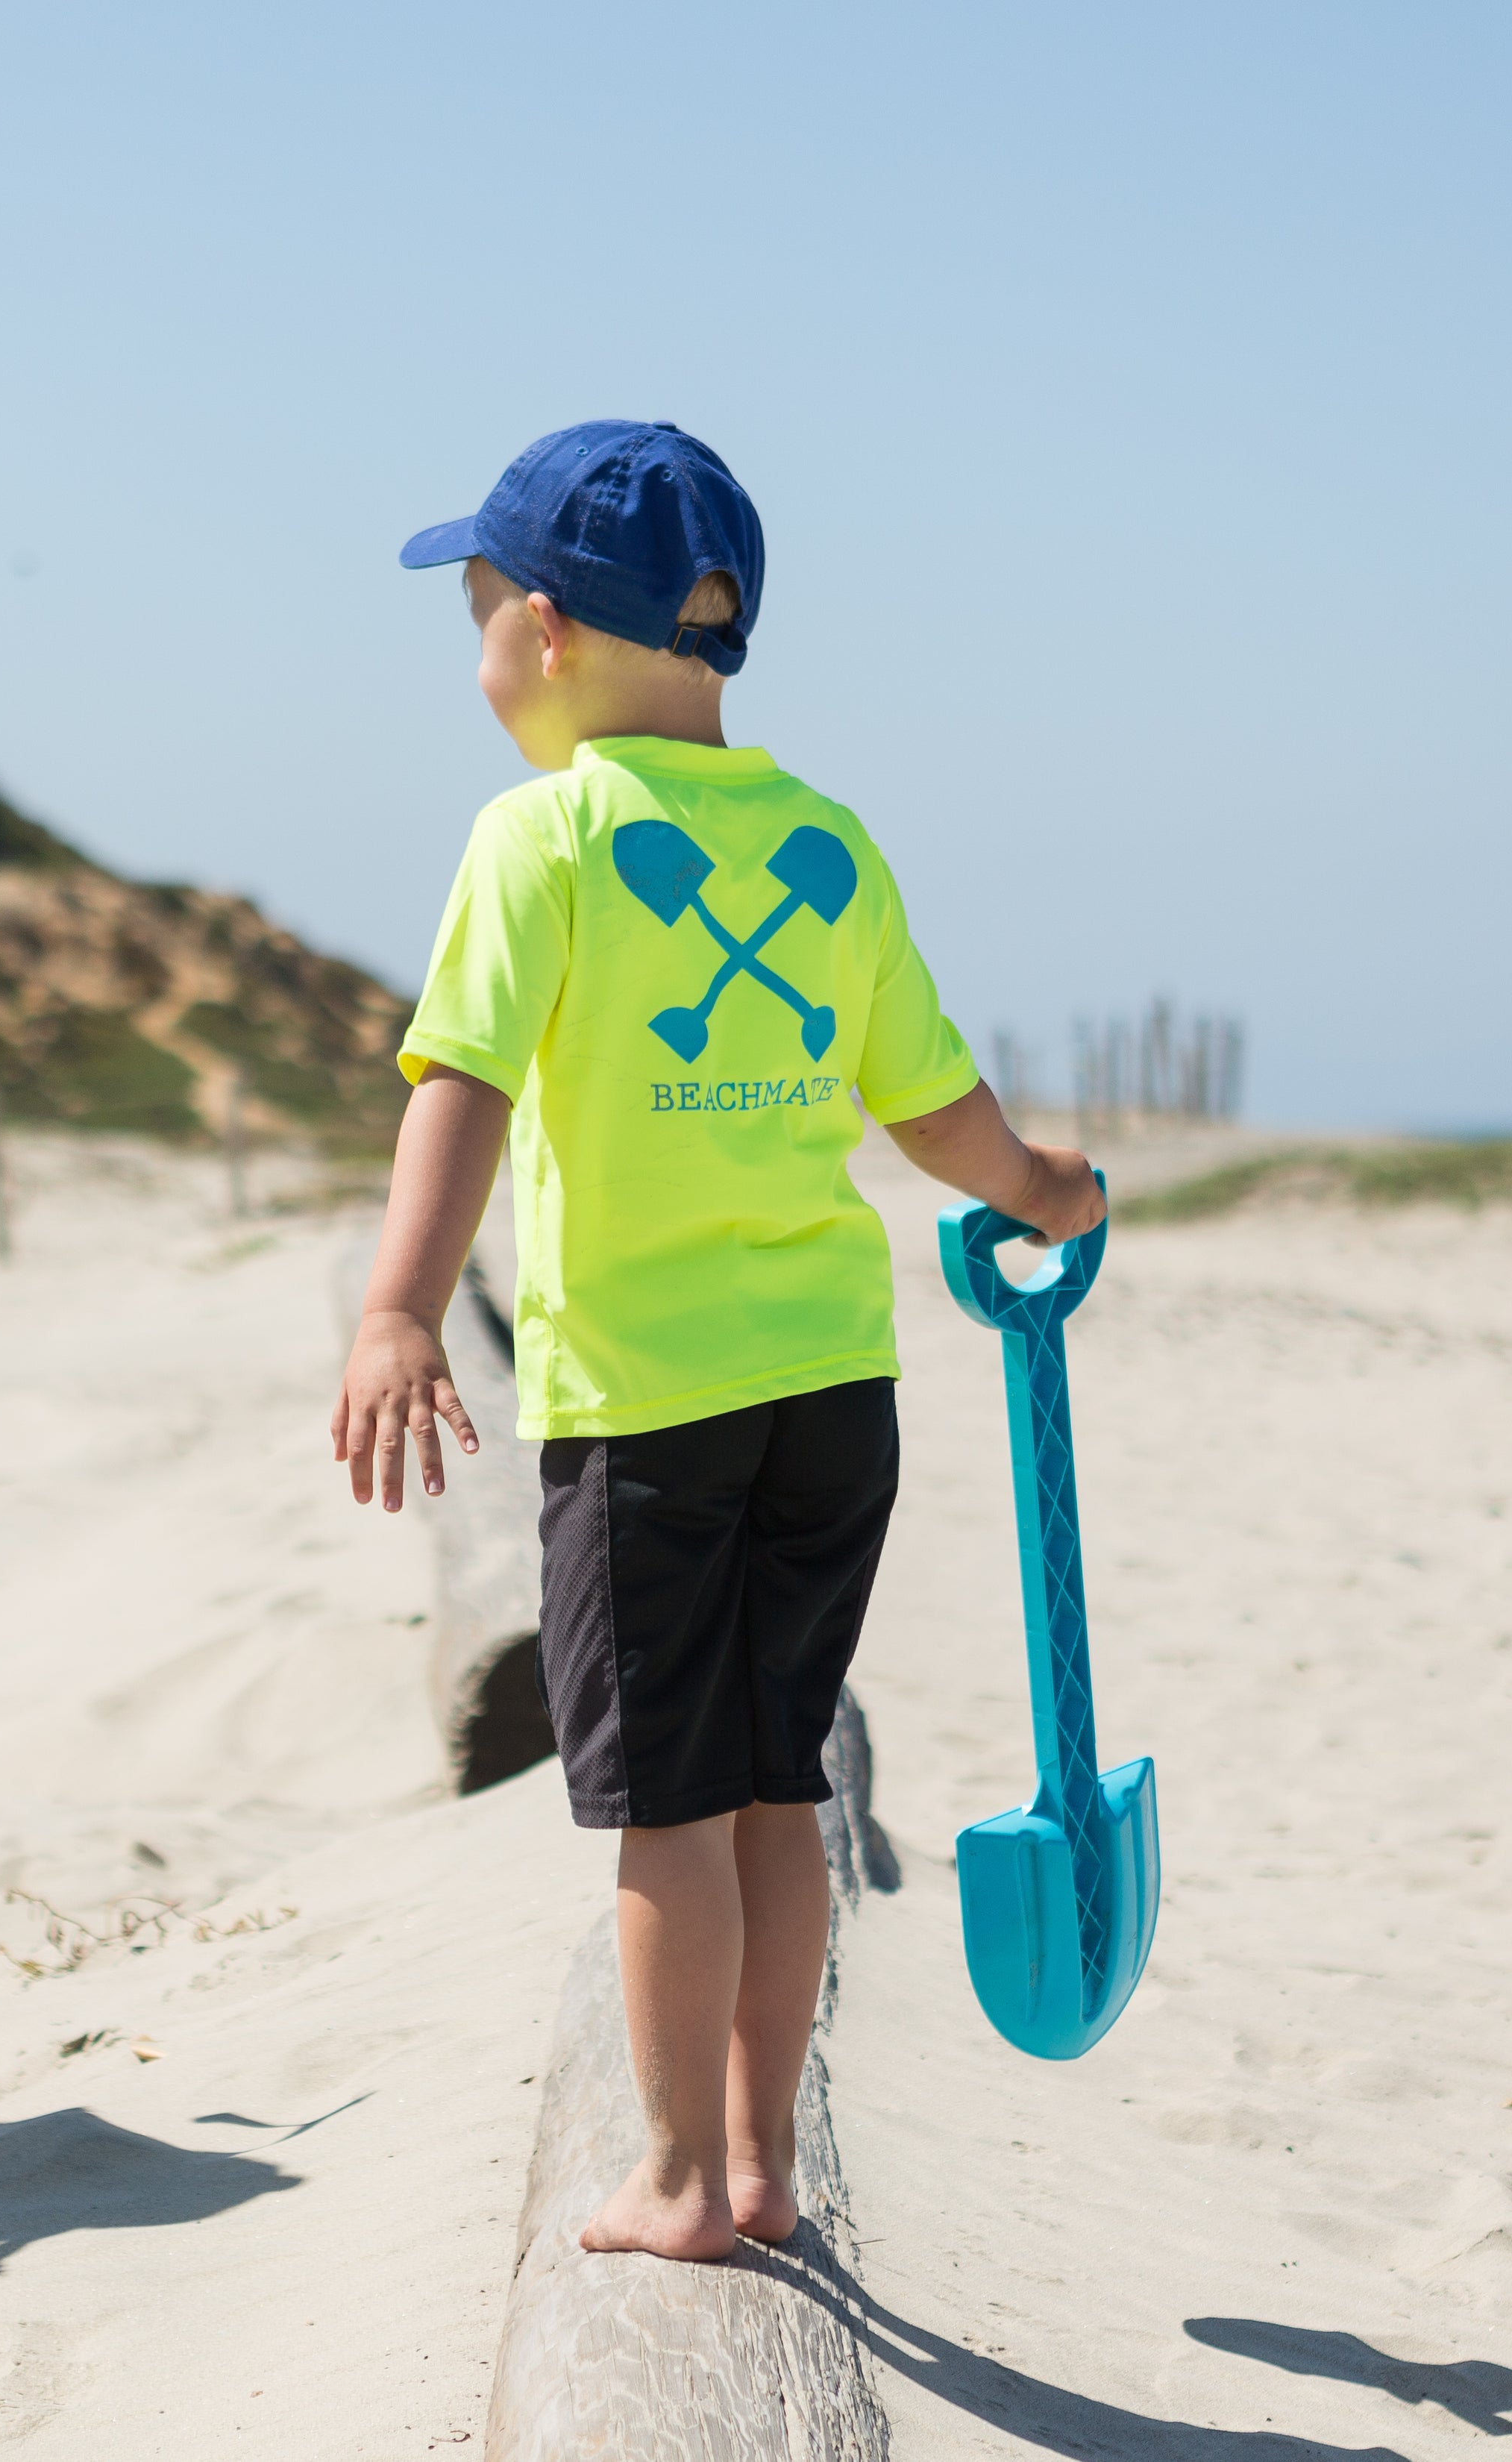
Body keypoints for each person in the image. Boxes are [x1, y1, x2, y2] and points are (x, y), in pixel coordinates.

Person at [333, 420, 1105, 2262]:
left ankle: (678, 2180)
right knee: (780, 1785)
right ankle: (764, 2161)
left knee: (665, 1813)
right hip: (832, 1396)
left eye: (473, 617)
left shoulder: (544, 838)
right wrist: (1044, 1188)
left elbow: (459, 1082)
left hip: (649, 1419)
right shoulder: (825, 846)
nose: (473, 664)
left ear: (540, 629)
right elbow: (932, 1116)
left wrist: (394, 1309)